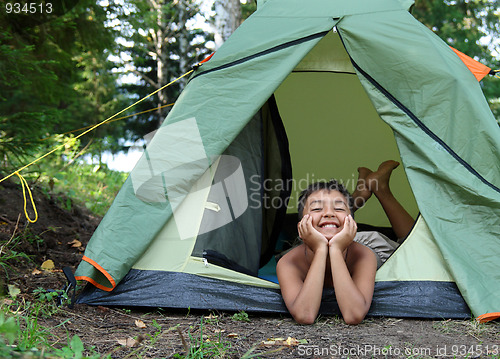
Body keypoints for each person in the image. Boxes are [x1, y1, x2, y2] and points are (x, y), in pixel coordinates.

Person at [276, 160, 414, 325]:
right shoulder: (289, 262)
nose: (328, 213)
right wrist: (321, 249)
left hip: (358, 242)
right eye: (317, 208)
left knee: (411, 246)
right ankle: (358, 196)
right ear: (301, 227)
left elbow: (354, 315)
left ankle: (380, 189)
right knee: (330, 221)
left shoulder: (364, 254)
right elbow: (305, 315)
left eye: (339, 208)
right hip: (314, 241)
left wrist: (334, 249)